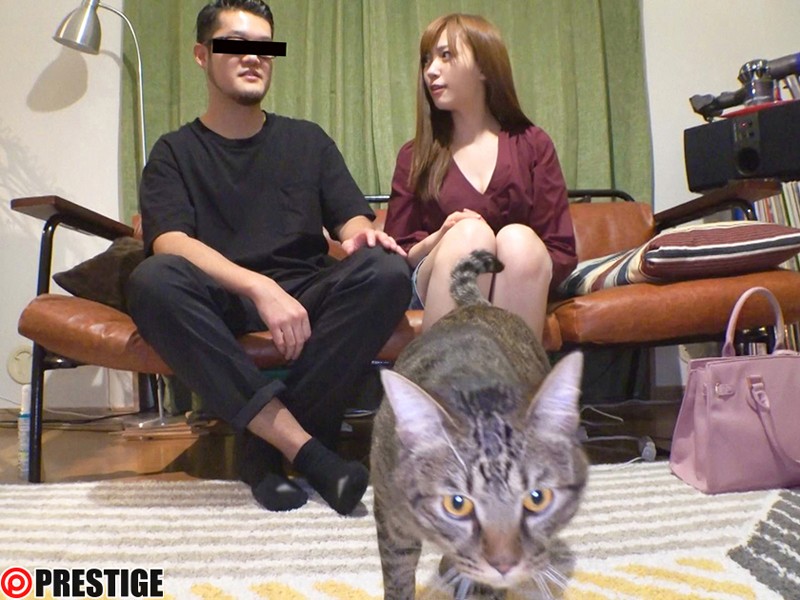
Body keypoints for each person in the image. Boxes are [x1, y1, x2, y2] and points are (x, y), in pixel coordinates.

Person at [125, 0, 411, 515]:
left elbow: (352, 221)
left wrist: (363, 237)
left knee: (386, 270)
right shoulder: (174, 152)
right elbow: (170, 240)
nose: (254, 57)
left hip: (308, 293)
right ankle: (310, 453)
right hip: (223, 302)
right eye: (236, 44)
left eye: (264, 47)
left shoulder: (307, 140)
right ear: (201, 55)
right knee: (153, 280)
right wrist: (259, 286)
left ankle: (260, 448)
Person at [384, 13, 577, 338]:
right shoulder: (415, 155)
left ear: (485, 67)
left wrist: (505, 272)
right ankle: (442, 372)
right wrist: (442, 236)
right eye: (427, 59)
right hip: (433, 279)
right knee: (470, 237)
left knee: (519, 241)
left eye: (446, 55)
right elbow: (397, 255)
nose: (430, 70)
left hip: (520, 278)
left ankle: (510, 371)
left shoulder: (532, 144)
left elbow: (559, 248)